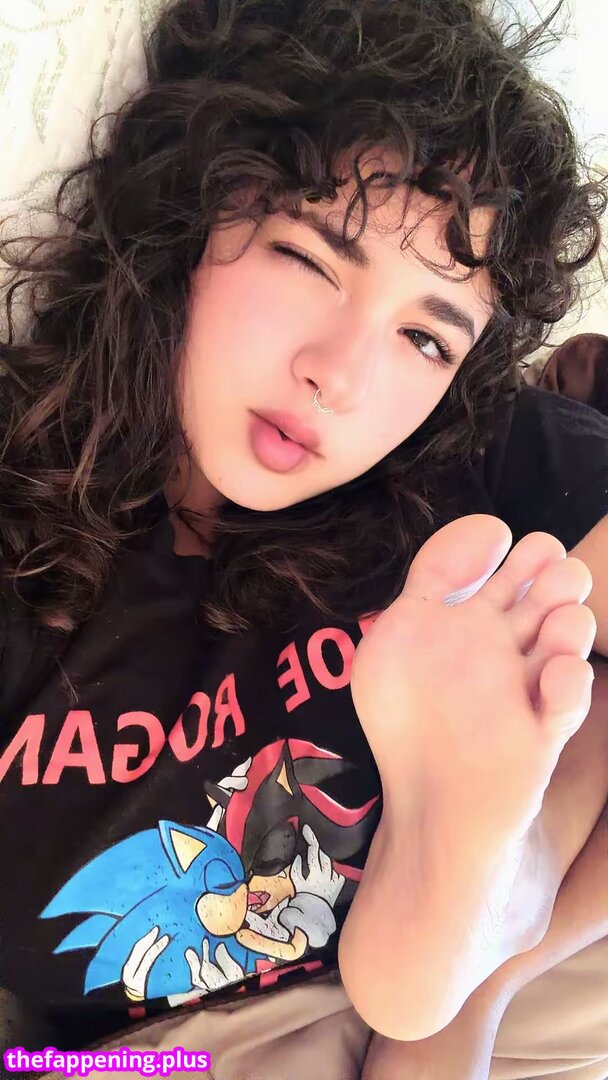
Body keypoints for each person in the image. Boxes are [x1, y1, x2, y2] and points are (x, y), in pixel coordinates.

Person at [0, 0, 607, 1077]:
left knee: (582, 674)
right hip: (154, 1054)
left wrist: (492, 979)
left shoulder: (464, 462)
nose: (341, 375)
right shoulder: (21, 511)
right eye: (308, 261)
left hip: (534, 972)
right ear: (189, 214)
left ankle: (498, 915)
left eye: (425, 337)